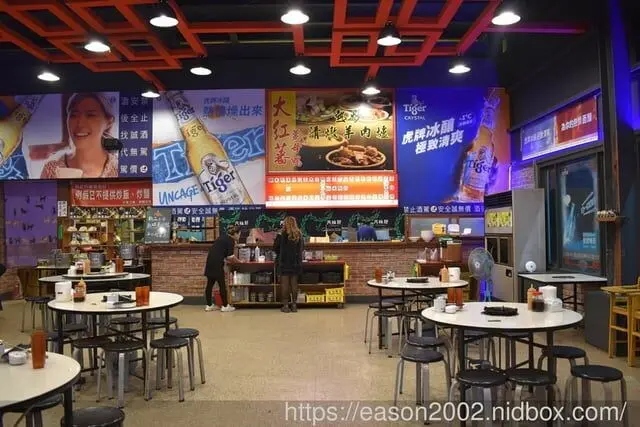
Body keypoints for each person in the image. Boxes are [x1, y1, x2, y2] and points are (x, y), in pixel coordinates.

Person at [40, 93, 118, 178]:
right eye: (74, 115)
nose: (80, 124)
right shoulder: (51, 169)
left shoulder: (118, 169)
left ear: (109, 122)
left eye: (90, 115)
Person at [204, 225, 240, 312]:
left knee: (209, 284)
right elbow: (230, 256)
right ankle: (225, 306)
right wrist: (239, 261)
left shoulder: (221, 237)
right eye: (239, 234)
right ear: (235, 234)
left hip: (210, 262)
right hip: (217, 264)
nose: (239, 236)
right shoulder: (231, 240)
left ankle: (209, 305)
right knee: (222, 285)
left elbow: (223, 254)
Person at [273, 216, 304, 313]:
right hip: (296, 263)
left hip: (284, 263)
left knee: (285, 285)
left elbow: (275, 248)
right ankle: (294, 305)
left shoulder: (281, 234)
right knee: (294, 284)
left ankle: (286, 306)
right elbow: (302, 248)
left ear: (285, 224)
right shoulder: (299, 234)